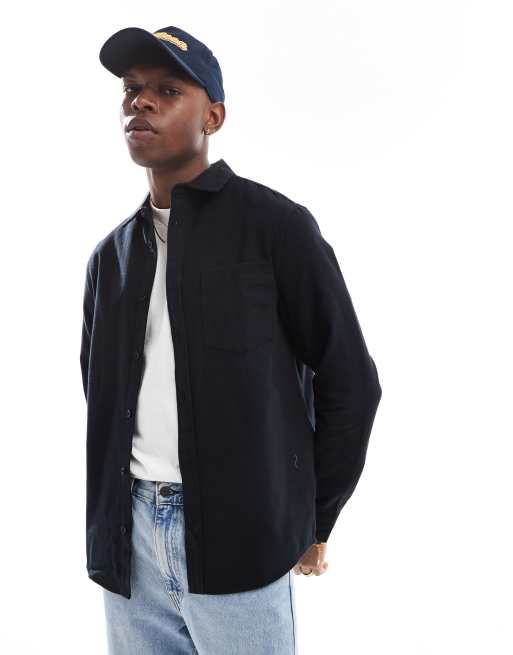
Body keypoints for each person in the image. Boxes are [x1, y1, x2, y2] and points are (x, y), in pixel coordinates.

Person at [81, 24, 382, 655]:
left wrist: (313, 517)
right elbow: (100, 394)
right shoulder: (112, 258)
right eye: (131, 89)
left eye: (168, 90)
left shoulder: (276, 228)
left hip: (241, 535)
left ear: (212, 116)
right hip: (128, 547)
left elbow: (351, 382)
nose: (140, 101)